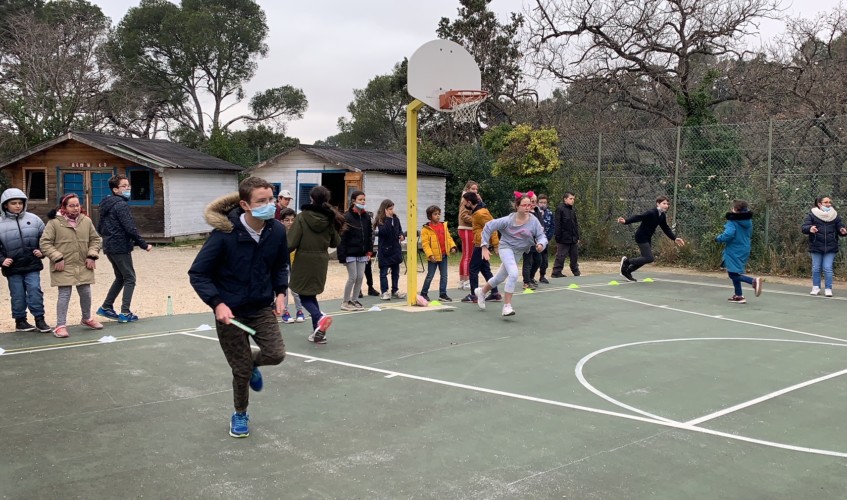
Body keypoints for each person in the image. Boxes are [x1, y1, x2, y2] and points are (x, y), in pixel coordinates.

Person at [188, 176, 289, 438]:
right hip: (230, 314)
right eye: (262, 201)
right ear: (245, 204)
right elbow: (198, 273)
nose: (269, 205)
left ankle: (251, 364)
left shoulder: (276, 231)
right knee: (241, 371)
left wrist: (281, 292)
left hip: (260, 307)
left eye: (271, 200)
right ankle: (240, 413)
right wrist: (217, 303)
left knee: (276, 354)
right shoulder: (224, 234)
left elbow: (279, 265)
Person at [40, 194, 103, 338]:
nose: (75, 208)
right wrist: (57, 257)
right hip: (63, 264)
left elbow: (95, 239)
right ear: (64, 207)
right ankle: (60, 325)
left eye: (77, 205)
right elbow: (45, 243)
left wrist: (92, 255)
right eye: (71, 205)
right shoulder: (54, 222)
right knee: (64, 294)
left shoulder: (86, 221)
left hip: (82, 263)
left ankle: (86, 318)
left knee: (86, 292)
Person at [287, 185, 344, 344]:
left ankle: (319, 317)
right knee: (311, 294)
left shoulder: (302, 217)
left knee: (302, 294)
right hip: (321, 260)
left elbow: (291, 242)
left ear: (311, 198)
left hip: (304, 259)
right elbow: (335, 242)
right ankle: (319, 333)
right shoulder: (330, 218)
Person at [475, 192, 548, 317]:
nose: (527, 208)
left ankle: (481, 292)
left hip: (518, 251)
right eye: (524, 205)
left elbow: (542, 236)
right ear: (517, 206)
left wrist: (541, 244)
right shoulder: (508, 220)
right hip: (506, 248)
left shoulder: (533, 221)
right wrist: (484, 246)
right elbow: (488, 226)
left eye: (529, 205)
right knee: (513, 274)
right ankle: (507, 306)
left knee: (500, 278)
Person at [96, 174, 152, 323]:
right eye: (124, 186)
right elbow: (130, 228)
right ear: (115, 190)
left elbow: (99, 228)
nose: (128, 188)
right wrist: (143, 244)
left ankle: (106, 307)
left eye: (129, 185)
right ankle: (125, 312)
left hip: (109, 246)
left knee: (120, 277)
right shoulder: (121, 205)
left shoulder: (105, 204)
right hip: (119, 247)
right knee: (130, 278)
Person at [0, 188, 51, 332]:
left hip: (32, 264)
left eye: (20, 203)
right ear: (5, 205)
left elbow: (46, 239)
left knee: (35, 290)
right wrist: (2, 260)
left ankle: (40, 319)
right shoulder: (0, 223)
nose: (17, 206)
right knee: (17, 294)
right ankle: (20, 321)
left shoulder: (34, 219)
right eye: (13, 203)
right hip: (13, 267)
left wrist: (42, 252)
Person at [617, 195, 685, 282]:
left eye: (667, 204)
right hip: (641, 236)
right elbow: (639, 217)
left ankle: (627, 271)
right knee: (649, 258)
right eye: (664, 203)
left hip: (647, 237)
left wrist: (675, 238)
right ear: (658, 204)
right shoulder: (651, 212)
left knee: (645, 258)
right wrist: (626, 221)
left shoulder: (662, 216)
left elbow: (665, 228)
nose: (666, 205)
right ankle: (627, 262)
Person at [715, 199, 763, 304]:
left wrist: (719, 238)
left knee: (733, 274)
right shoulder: (747, 221)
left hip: (734, 248)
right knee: (734, 271)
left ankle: (753, 281)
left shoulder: (733, 221)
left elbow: (729, 234)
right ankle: (739, 295)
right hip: (744, 248)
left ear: (736, 210)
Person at [801, 196, 847, 297]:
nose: (829, 204)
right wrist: (810, 228)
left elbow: (840, 226)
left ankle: (828, 288)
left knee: (827, 268)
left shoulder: (835, 215)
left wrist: (842, 230)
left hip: (831, 246)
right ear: (819, 204)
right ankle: (816, 287)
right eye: (826, 202)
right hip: (816, 245)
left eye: (830, 202)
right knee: (816, 268)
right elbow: (804, 228)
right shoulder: (812, 215)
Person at [460, 192, 501, 303]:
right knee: (485, 269)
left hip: (481, 245)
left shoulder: (480, 213)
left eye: (464, 202)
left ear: (469, 202)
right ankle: (495, 293)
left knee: (473, 269)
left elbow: (492, 228)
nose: (463, 204)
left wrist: (496, 245)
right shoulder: (478, 212)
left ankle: (474, 295)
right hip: (481, 243)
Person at [338, 190, 373, 311]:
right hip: (350, 253)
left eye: (364, 199)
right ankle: (345, 302)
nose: (363, 202)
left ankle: (354, 300)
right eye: (360, 199)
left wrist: (369, 251)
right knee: (352, 277)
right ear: (353, 201)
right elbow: (342, 237)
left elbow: (369, 234)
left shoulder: (366, 216)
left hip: (362, 253)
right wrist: (342, 255)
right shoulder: (346, 217)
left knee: (360, 277)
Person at [420, 205, 457, 302]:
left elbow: (448, 238)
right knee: (430, 276)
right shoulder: (426, 229)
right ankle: (424, 293)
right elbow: (425, 244)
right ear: (430, 216)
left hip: (444, 255)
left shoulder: (443, 226)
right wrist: (430, 255)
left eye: (439, 214)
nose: (438, 216)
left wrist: (452, 246)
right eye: (435, 214)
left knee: (444, 275)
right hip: (433, 257)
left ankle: (443, 294)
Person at [373, 199, 406, 300]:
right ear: (385, 210)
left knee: (396, 272)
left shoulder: (396, 219)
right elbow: (384, 232)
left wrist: (401, 235)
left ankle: (395, 290)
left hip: (395, 249)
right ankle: (384, 291)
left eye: (393, 208)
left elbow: (400, 230)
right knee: (383, 272)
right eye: (390, 209)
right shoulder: (381, 220)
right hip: (385, 250)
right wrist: (387, 219)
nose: (392, 211)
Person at [278, 208, 305, 323]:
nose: (290, 222)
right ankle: (285, 312)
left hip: (296, 265)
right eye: (287, 220)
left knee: (296, 290)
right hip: (283, 265)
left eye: (293, 220)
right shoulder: (278, 234)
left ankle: (300, 311)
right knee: (284, 289)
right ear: (282, 221)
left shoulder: (298, 233)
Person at [552, 192, 580, 278]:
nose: (572, 201)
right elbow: (558, 224)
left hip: (573, 238)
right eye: (570, 199)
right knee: (561, 256)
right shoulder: (560, 209)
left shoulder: (572, 210)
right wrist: (558, 237)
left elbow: (575, 224)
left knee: (574, 256)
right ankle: (556, 272)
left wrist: (577, 236)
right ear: (565, 199)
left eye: (573, 199)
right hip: (563, 238)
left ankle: (576, 272)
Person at [457, 180, 479, 290]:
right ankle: (466, 280)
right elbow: (463, 215)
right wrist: (475, 220)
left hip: (470, 229)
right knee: (468, 256)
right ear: (467, 189)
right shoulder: (465, 200)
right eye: (473, 189)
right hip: (466, 229)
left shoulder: (474, 200)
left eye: (476, 189)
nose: (475, 191)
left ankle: (462, 280)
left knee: (466, 255)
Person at [521, 191, 542, 289]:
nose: (533, 203)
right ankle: (526, 282)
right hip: (527, 242)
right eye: (531, 201)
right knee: (528, 262)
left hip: (537, 242)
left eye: (535, 201)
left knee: (538, 260)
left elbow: (540, 225)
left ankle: (531, 277)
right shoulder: (525, 213)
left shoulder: (537, 211)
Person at [536, 194, 555, 283]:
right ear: (537, 203)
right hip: (535, 241)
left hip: (545, 240)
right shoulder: (534, 213)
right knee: (534, 260)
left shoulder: (550, 213)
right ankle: (530, 278)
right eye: (541, 202)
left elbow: (552, 226)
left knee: (544, 260)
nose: (543, 204)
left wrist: (548, 238)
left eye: (545, 202)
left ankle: (542, 275)